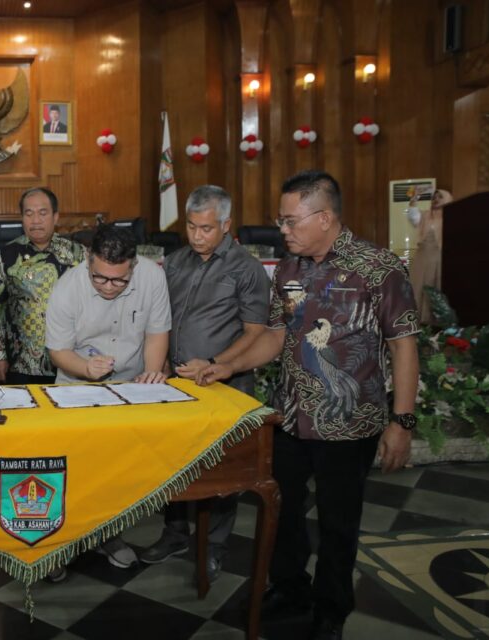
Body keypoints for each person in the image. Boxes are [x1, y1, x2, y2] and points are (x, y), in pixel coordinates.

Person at [198, 170, 420, 640]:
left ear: (324, 217)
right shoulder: (288, 269)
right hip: (290, 416)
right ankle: (290, 588)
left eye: (290, 220)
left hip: (349, 423)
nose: (283, 230)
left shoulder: (378, 268)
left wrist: (402, 421)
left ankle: (331, 609)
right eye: (280, 220)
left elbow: (403, 345)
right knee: (282, 511)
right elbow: (276, 336)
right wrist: (224, 366)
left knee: (339, 523)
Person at [140, 186, 269, 580]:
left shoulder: (246, 268)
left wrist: (216, 363)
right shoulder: (175, 262)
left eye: (207, 228)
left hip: (225, 384)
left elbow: (255, 331)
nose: (197, 236)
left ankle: (213, 545)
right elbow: (162, 319)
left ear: (226, 225)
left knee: (220, 467)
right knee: (175, 461)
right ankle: (175, 533)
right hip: (177, 383)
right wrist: (161, 363)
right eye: (192, 227)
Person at [45, 222, 171, 568]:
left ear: (133, 265)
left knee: (116, 472)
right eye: (100, 278)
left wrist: (151, 375)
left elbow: (156, 333)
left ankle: (108, 534)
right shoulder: (67, 288)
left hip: (130, 385)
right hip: (76, 387)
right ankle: (58, 546)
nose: (109, 287)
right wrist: (85, 368)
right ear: (88, 259)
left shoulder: (152, 277)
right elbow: (58, 351)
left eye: (119, 280)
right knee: (73, 471)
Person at [0, 187, 84, 385]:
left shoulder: (77, 253)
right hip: (21, 362)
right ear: (22, 218)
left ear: (55, 217)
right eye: (28, 214)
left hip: (70, 359)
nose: (35, 220)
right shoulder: (7, 255)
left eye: (42, 213)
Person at [406, 188, 453, 324]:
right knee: (418, 287)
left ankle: (436, 323)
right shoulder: (425, 216)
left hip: (440, 260)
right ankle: (418, 322)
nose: (435, 199)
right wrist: (414, 199)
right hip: (422, 259)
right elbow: (412, 216)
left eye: (440, 197)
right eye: (434, 197)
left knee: (436, 288)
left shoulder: (453, 217)